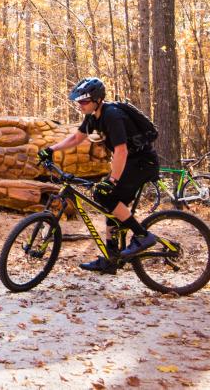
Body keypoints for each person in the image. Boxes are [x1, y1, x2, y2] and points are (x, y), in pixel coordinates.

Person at [38, 77, 160, 273]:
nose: (80, 105)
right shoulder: (94, 116)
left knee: (104, 195)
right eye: (79, 101)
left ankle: (142, 235)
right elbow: (77, 138)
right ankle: (112, 259)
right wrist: (51, 149)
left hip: (142, 163)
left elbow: (121, 151)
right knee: (110, 204)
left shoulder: (112, 115)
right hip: (131, 163)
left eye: (84, 101)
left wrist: (112, 181)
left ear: (97, 100)